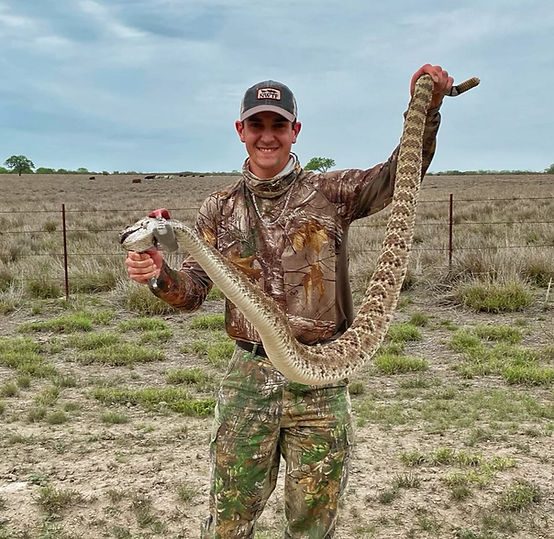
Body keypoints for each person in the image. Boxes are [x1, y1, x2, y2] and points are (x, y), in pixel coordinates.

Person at [125, 64, 453, 538]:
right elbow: (192, 290)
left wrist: (427, 107)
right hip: (249, 377)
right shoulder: (219, 209)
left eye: (278, 125)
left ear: (295, 130)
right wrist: (159, 275)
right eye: (257, 124)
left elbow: (400, 175)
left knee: (313, 524)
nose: (267, 136)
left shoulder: (332, 192)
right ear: (241, 130)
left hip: (321, 377)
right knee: (228, 520)